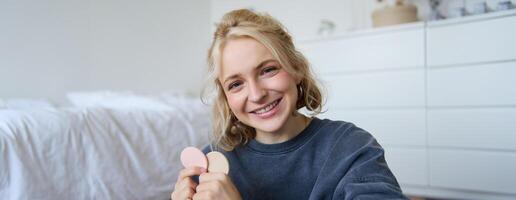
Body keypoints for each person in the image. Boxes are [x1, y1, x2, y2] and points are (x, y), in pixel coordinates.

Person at [171, 9, 407, 200]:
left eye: (268, 70)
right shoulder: (209, 163)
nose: (256, 94)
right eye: (236, 84)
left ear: (295, 69)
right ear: (225, 98)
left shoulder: (350, 147)